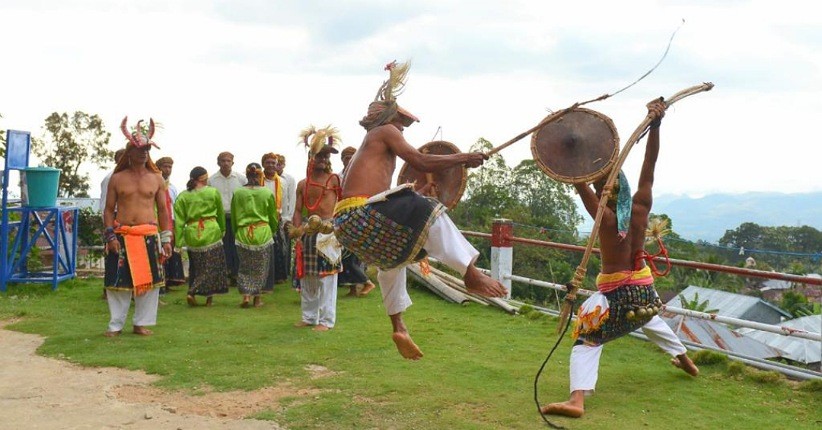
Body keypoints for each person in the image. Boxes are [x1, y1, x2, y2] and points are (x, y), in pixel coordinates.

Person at [333, 61, 507, 359]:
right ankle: (471, 272)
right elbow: (421, 161)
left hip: (351, 224)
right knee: (430, 209)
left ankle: (399, 326)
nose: (402, 129)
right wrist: (462, 158)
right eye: (402, 123)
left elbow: (382, 192)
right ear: (389, 118)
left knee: (393, 258)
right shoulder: (384, 131)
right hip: (360, 215)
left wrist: (417, 192)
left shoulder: (369, 146)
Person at [540, 99, 699, 419]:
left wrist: (573, 151)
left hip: (616, 296)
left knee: (586, 339)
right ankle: (685, 361)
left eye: (599, 191)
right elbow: (649, 168)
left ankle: (576, 401)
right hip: (645, 293)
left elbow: (577, 180)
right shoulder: (641, 207)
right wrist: (655, 126)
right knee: (648, 317)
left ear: (604, 193)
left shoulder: (605, 218)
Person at [102, 117, 172, 337]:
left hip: (148, 236)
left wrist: (167, 238)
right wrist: (110, 236)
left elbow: (163, 210)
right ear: (129, 152)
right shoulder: (117, 178)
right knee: (117, 283)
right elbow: (107, 210)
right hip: (122, 235)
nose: (144, 153)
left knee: (149, 284)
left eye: (147, 150)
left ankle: (141, 323)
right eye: (139, 149)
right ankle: (115, 326)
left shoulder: (157, 178)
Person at [292, 127, 343, 332]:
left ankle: (326, 321)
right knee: (308, 277)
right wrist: (297, 232)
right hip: (307, 232)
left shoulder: (334, 180)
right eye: (319, 154)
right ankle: (309, 316)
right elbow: (297, 210)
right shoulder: (303, 184)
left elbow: (342, 204)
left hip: (329, 232)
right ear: (311, 156)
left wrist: (337, 226)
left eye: (326, 155)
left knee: (327, 277)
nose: (323, 159)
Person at [174, 166, 229, 307]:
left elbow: (179, 221)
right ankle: (197, 294)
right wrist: (222, 229)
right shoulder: (213, 192)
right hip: (211, 231)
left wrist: (179, 241)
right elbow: (221, 213)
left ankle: (200, 294)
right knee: (213, 266)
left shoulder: (183, 196)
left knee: (196, 267)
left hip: (192, 233)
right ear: (204, 178)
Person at [231, 163, 279, 308]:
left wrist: (236, 232)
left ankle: (246, 295)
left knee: (245, 266)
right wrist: (273, 230)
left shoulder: (238, 193)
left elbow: (234, 216)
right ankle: (257, 299)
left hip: (243, 233)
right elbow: (272, 216)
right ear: (261, 175)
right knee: (261, 267)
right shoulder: (267, 193)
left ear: (246, 175)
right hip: (262, 232)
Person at [337, 146, 375, 297]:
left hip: (359, 215)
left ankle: (367, 282)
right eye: (345, 157)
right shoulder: (338, 176)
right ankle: (353, 289)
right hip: (341, 214)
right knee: (344, 254)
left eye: (351, 156)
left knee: (354, 253)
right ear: (342, 159)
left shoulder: (363, 173)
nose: (349, 159)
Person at [208, 152, 247, 284]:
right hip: (220, 218)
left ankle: (236, 275)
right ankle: (224, 274)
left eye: (228, 161)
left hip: (237, 217)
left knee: (237, 245)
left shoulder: (241, 179)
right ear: (218, 162)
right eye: (223, 161)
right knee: (222, 246)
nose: (225, 163)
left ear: (232, 163)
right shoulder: (211, 180)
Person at [155, 156, 186, 288]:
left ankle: (169, 280)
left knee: (170, 250)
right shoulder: (154, 184)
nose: (167, 169)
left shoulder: (172, 188)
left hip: (171, 221)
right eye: (165, 166)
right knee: (159, 250)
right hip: (157, 222)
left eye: (170, 167)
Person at [262, 153, 287, 286]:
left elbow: (288, 200)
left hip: (278, 217)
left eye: (274, 163)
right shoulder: (259, 181)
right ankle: (264, 276)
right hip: (262, 219)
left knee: (279, 247)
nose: (271, 165)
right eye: (268, 162)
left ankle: (279, 276)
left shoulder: (282, 182)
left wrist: (287, 218)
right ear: (263, 164)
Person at [276, 154, 297, 283]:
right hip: (274, 216)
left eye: (280, 164)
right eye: (276, 164)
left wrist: (289, 217)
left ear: (283, 165)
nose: (277, 166)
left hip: (285, 215)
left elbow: (291, 199)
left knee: (285, 245)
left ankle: (285, 271)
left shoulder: (288, 179)